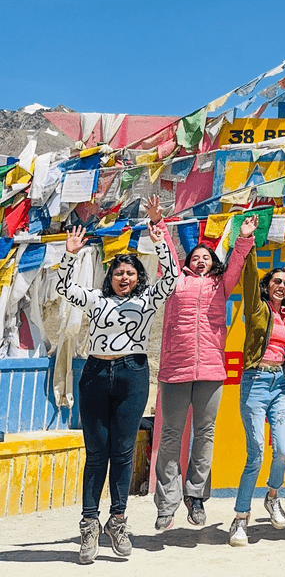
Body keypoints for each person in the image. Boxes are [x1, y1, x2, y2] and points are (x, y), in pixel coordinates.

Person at [57, 218, 178, 564]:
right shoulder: (96, 299)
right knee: (96, 453)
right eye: (118, 273)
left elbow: (169, 280)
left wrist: (160, 243)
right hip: (95, 373)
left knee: (123, 453)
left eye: (130, 273)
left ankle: (118, 520)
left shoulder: (148, 301)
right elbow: (65, 290)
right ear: (109, 277)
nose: (124, 278)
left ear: (139, 277)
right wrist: (70, 256)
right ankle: (89, 523)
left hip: (132, 375)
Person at [152, 199, 255, 531]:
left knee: (205, 434)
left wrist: (244, 238)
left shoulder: (220, 286)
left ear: (213, 264)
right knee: (170, 436)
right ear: (187, 263)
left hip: (211, 370)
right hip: (174, 370)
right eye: (194, 257)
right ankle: (167, 503)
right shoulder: (174, 283)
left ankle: (195, 497)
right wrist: (159, 226)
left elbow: (237, 262)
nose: (200, 261)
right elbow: (167, 256)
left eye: (206, 258)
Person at [229, 246, 285, 547]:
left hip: (279, 385)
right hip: (256, 382)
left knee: (283, 449)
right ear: (267, 285)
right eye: (276, 281)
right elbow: (250, 276)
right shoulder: (257, 308)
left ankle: (273, 497)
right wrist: (250, 244)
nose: (281, 286)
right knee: (256, 452)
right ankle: (239, 519)